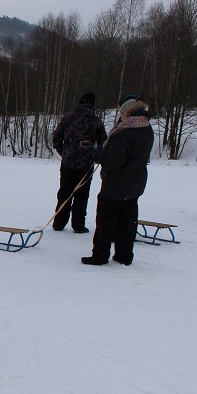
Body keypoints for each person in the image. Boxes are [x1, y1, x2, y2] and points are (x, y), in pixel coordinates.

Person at [81, 95, 154, 266]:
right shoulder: (146, 129)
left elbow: (113, 163)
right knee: (127, 222)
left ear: (128, 114)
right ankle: (124, 255)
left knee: (106, 221)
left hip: (117, 185)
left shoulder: (124, 134)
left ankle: (100, 255)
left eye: (122, 114)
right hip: (135, 183)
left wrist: (97, 155)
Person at [51, 92, 107, 233]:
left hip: (68, 163)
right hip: (86, 164)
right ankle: (78, 225)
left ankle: (59, 223)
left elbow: (56, 137)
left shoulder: (67, 118)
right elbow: (103, 143)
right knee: (82, 194)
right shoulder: (96, 121)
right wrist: (95, 155)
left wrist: (64, 152)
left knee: (64, 192)